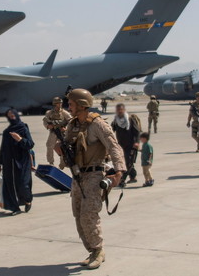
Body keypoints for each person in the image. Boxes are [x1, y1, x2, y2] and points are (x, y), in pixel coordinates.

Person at [56, 88, 125, 270]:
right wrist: (60, 150)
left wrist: (119, 171)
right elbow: (69, 149)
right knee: (78, 216)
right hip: (78, 175)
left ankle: (98, 250)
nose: (68, 107)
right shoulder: (73, 125)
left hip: (95, 175)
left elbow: (113, 146)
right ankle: (92, 250)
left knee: (89, 214)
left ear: (81, 105)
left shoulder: (97, 124)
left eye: (71, 104)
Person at [0, 109, 34, 216]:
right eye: (9, 116)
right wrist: (0, 162)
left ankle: (27, 200)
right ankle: (15, 207)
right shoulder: (6, 132)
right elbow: (3, 148)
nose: (12, 117)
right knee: (10, 185)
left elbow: (30, 144)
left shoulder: (23, 128)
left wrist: (20, 139)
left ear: (17, 115)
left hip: (22, 161)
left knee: (23, 184)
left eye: (13, 115)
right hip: (9, 162)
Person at [111, 103, 142, 185]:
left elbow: (137, 132)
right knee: (127, 162)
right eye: (118, 110)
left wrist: (136, 142)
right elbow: (111, 130)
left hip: (131, 145)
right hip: (121, 145)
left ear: (124, 110)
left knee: (127, 162)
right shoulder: (116, 120)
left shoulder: (130, 120)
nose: (119, 111)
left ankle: (122, 180)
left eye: (121, 110)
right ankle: (133, 176)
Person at [42, 97, 71, 168]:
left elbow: (70, 121)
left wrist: (65, 128)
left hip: (61, 132)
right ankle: (51, 162)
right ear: (55, 104)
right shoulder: (49, 113)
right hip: (53, 132)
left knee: (63, 146)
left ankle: (63, 162)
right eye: (58, 103)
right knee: (49, 145)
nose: (60, 104)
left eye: (60, 103)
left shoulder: (64, 112)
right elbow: (45, 121)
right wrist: (48, 126)